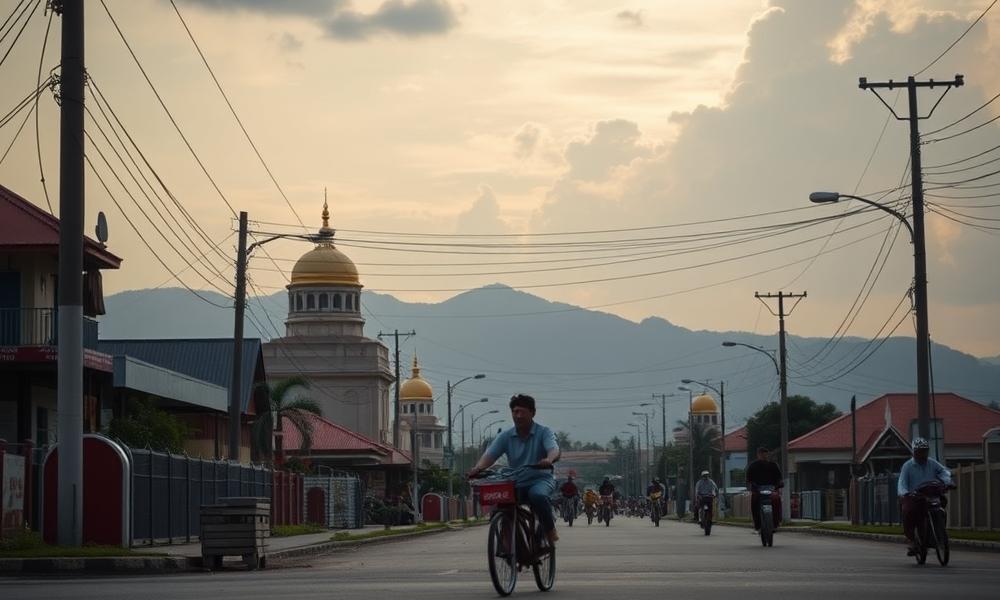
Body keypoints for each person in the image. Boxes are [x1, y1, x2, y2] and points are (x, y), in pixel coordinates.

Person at [469, 394, 562, 544]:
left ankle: (549, 529)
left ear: (532, 413)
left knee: (537, 496)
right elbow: (490, 456)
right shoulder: (505, 436)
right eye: (515, 412)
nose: (518, 416)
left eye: (522, 412)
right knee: (499, 500)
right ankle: (507, 540)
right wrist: (478, 468)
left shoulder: (544, 432)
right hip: (516, 480)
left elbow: (553, 449)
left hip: (540, 478)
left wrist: (548, 459)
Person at [898, 437, 953, 556]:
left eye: (925, 451)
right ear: (914, 452)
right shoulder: (907, 466)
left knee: (942, 506)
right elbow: (902, 483)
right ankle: (912, 540)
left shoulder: (932, 463)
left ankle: (939, 534)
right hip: (915, 496)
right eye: (919, 451)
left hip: (931, 494)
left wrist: (947, 482)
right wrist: (905, 492)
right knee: (908, 511)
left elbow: (944, 472)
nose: (922, 454)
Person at [746, 446, 783, 532]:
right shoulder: (753, 466)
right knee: (754, 501)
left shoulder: (773, 465)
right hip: (758, 489)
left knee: (776, 499)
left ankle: (776, 522)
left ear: (768, 455)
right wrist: (752, 485)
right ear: (758, 455)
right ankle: (757, 524)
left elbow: (779, 478)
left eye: (765, 454)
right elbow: (748, 479)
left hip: (772, 489)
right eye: (761, 454)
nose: (763, 456)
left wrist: (779, 484)